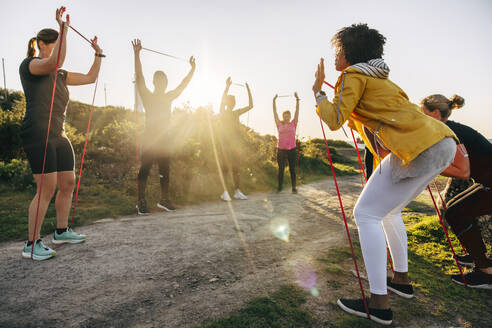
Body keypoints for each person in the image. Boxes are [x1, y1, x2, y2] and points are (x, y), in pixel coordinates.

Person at [313, 23, 460, 325]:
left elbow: (335, 119)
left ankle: (379, 303)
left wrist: (318, 93)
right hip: (443, 143)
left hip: (422, 147)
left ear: (350, 52)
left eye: (338, 50)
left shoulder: (352, 75)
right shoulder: (381, 79)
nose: (336, 55)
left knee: (365, 214)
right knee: (391, 212)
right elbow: (367, 121)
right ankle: (401, 281)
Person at [19, 7, 103, 260]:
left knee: (67, 183)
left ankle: (61, 231)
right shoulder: (31, 65)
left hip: (59, 134)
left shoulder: (62, 75)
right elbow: (54, 62)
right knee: (46, 188)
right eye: (53, 45)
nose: (56, 50)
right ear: (42, 45)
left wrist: (98, 54)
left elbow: (90, 77)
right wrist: (63, 28)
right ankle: (31, 245)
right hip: (37, 132)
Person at [422, 94, 492, 289]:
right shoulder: (449, 128)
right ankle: (477, 255)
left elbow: (464, 172)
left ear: (435, 114)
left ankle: (485, 272)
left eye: (423, 113)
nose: (420, 117)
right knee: (454, 209)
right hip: (486, 181)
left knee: (456, 213)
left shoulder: (449, 132)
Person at [132, 39, 195, 215]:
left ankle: (164, 200)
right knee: (144, 169)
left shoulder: (168, 96)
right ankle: (141, 202)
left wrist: (192, 69)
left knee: (165, 170)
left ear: (166, 83)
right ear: (154, 82)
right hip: (150, 138)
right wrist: (137, 54)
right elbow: (139, 76)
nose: (163, 82)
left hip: (165, 139)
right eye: (160, 80)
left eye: (165, 80)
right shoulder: (147, 95)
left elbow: (183, 85)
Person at [217, 77, 253, 201]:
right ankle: (224, 192)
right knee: (225, 169)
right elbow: (222, 100)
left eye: (234, 102)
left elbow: (251, 105)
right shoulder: (222, 111)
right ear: (227, 103)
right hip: (224, 144)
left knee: (236, 168)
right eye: (230, 101)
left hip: (234, 145)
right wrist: (227, 87)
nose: (233, 103)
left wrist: (248, 90)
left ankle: (237, 191)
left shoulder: (236, 113)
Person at [273, 93, 300, 193]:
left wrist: (297, 100)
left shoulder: (294, 123)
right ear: (283, 116)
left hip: (292, 150)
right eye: (285, 116)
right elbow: (274, 112)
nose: (286, 117)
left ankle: (294, 188)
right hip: (281, 150)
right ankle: (279, 187)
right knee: (281, 170)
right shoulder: (279, 123)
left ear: (290, 116)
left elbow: (297, 111)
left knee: (292, 169)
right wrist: (274, 101)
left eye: (288, 116)